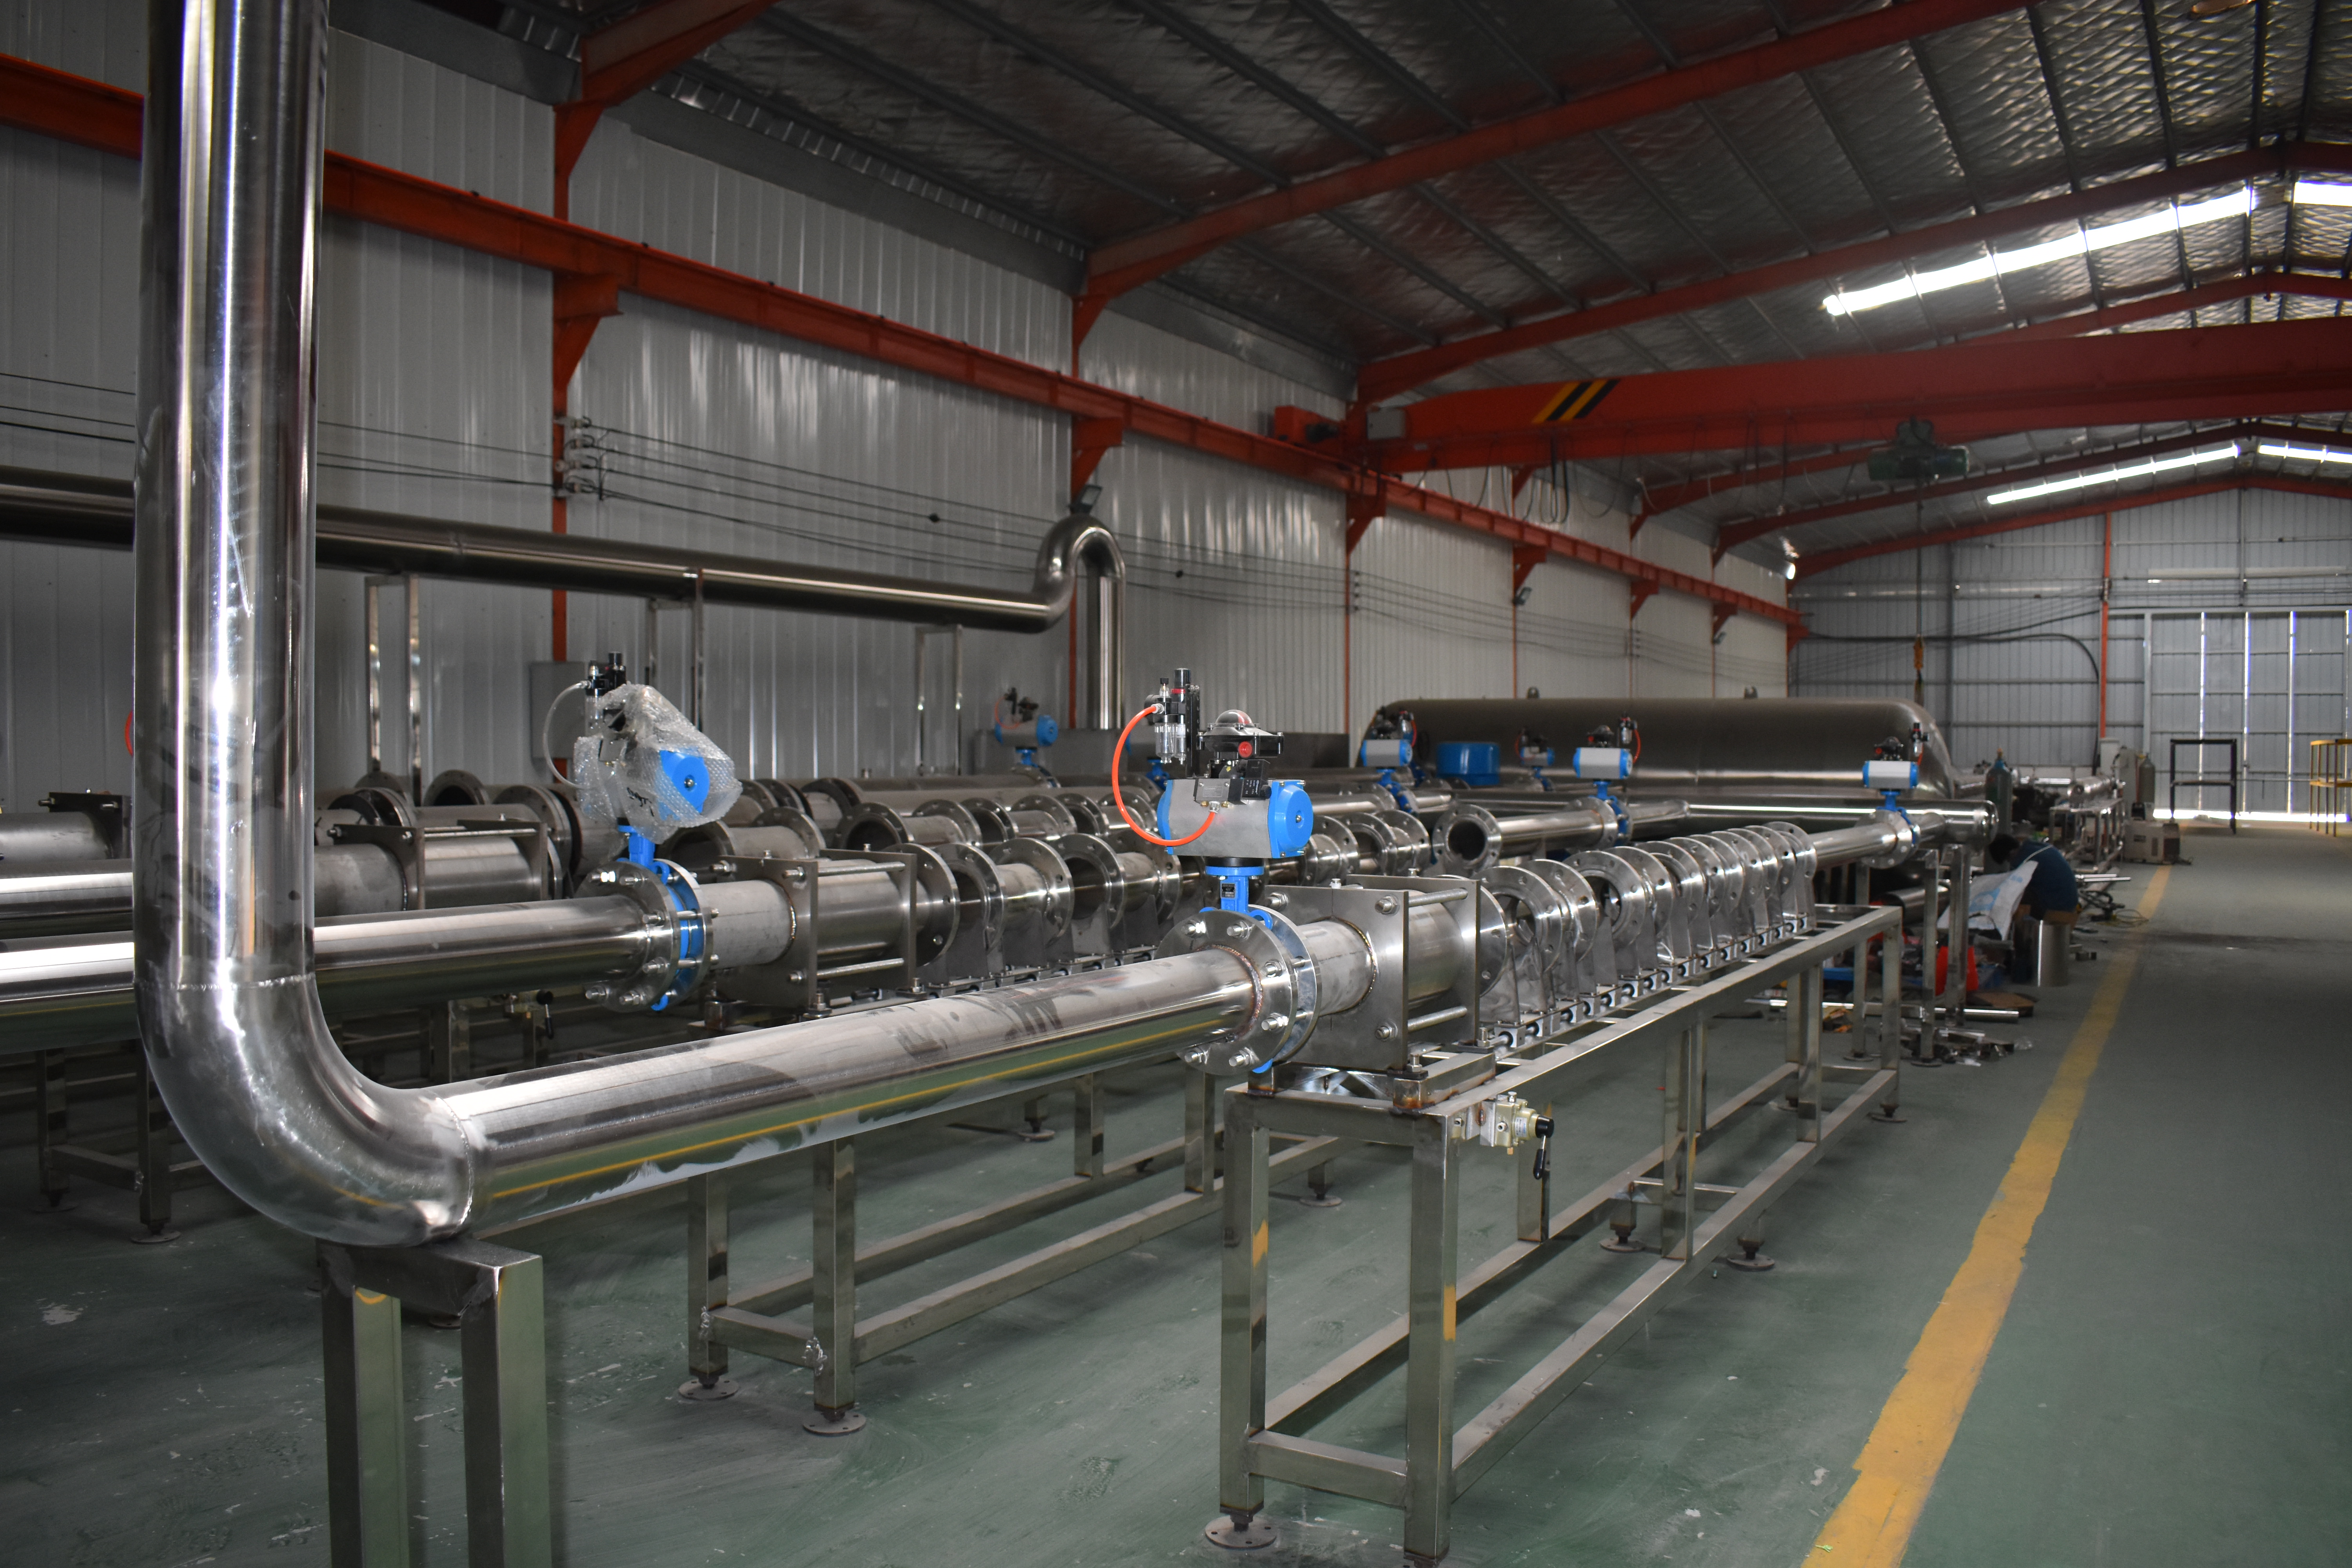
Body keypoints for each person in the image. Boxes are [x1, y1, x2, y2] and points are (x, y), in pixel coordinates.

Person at [1986, 832, 2078, 981]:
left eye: (2008, 859)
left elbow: (2012, 890)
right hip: (2070, 902)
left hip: (2056, 907)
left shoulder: (2024, 861)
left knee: (2012, 901)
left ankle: (2016, 951)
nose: (2010, 862)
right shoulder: (2037, 847)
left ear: (2010, 854)